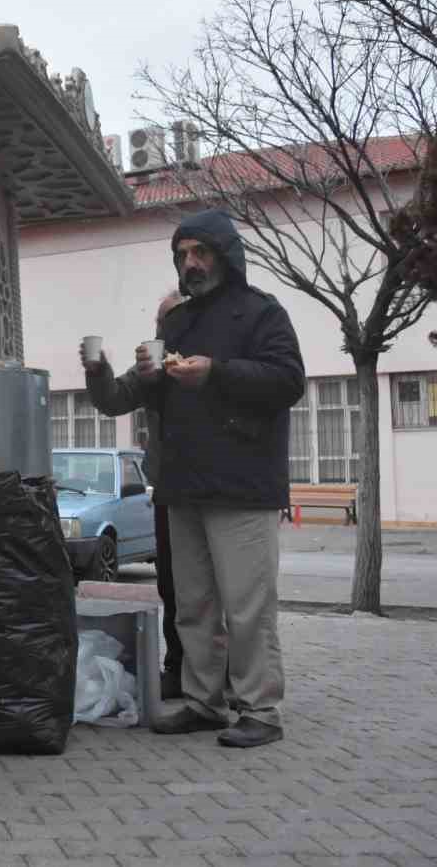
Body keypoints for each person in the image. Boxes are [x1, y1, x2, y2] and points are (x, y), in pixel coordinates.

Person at [83, 210, 304, 749]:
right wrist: (101, 371)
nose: (191, 263)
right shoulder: (175, 324)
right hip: (183, 489)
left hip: (242, 487)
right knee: (193, 606)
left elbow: (288, 379)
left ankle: (262, 711)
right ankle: (204, 703)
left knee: (248, 606)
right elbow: (119, 400)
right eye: (182, 254)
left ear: (226, 255)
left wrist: (216, 372)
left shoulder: (261, 314)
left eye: (201, 252)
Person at [81, 289, 185, 700]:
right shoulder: (153, 366)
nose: (163, 327)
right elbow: (111, 399)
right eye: (160, 320)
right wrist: (97, 369)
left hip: (216, 491)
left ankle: (227, 676)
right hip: (171, 490)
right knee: (173, 587)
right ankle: (177, 670)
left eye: (171, 318)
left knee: (218, 591)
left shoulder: (216, 359)